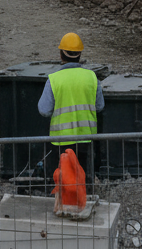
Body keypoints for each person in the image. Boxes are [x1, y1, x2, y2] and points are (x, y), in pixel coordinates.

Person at [37, 32, 104, 180]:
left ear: (61, 54)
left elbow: (44, 110)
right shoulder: (92, 77)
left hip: (61, 141)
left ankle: (65, 202)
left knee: (64, 182)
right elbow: (99, 106)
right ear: (80, 54)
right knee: (83, 180)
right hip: (86, 139)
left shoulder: (54, 80)